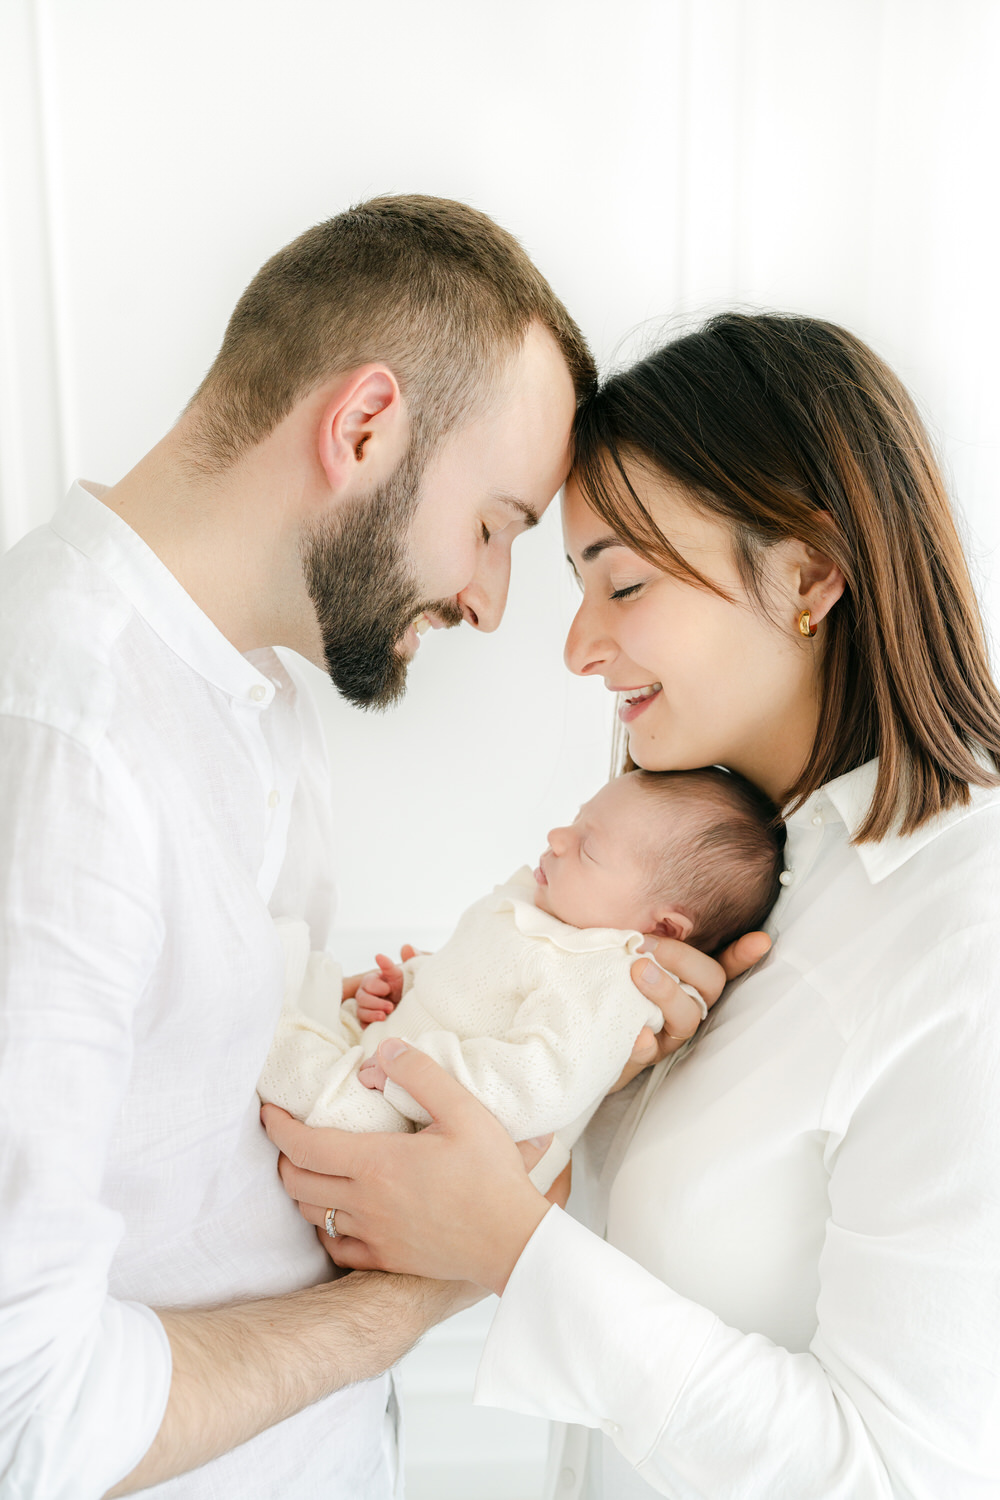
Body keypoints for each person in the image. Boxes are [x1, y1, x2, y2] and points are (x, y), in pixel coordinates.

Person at [264, 312, 1000, 1498]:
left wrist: (507, 1246)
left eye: (625, 582)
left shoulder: (964, 936)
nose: (575, 647)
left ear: (810, 575)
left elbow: (909, 1474)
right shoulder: (699, 890)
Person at [0, 194, 619, 1499]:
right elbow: (25, 1419)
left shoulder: (255, 690)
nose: (490, 602)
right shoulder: (65, 748)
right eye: (496, 525)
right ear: (364, 427)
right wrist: (411, 1299)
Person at [258, 766, 784, 1192]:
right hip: (384, 1059)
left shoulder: (611, 981)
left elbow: (536, 1086)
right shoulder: (542, 904)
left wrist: (408, 1074)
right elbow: (472, 984)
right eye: (575, 821)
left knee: (301, 1068)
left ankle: (258, 1020)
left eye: (589, 848)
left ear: (663, 928)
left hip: (423, 1131)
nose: (557, 838)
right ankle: (270, 1003)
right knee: (314, 984)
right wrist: (406, 989)